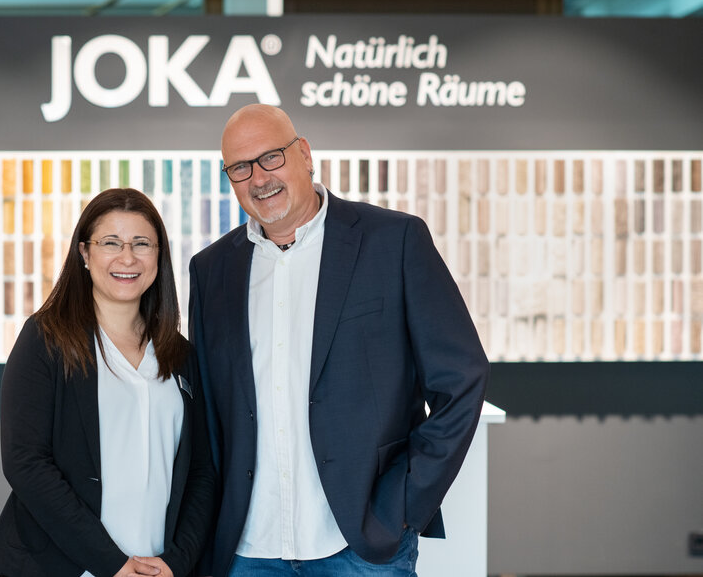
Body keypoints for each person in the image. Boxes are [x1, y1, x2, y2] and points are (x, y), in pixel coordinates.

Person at [188, 105, 489, 577]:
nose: (259, 178)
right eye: (240, 167)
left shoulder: (394, 240)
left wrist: (407, 502)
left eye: (271, 157)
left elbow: (462, 378)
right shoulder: (211, 270)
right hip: (247, 550)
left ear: (305, 154)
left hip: (361, 546)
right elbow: (208, 413)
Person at [0, 188, 215, 577]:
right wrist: (112, 564)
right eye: (110, 243)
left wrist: (177, 561)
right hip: (65, 566)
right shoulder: (46, 339)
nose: (127, 257)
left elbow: (202, 471)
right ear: (85, 254)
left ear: (159, 255)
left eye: (142, 243)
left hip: (156, 568)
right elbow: (25, 462)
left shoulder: (181, 355)